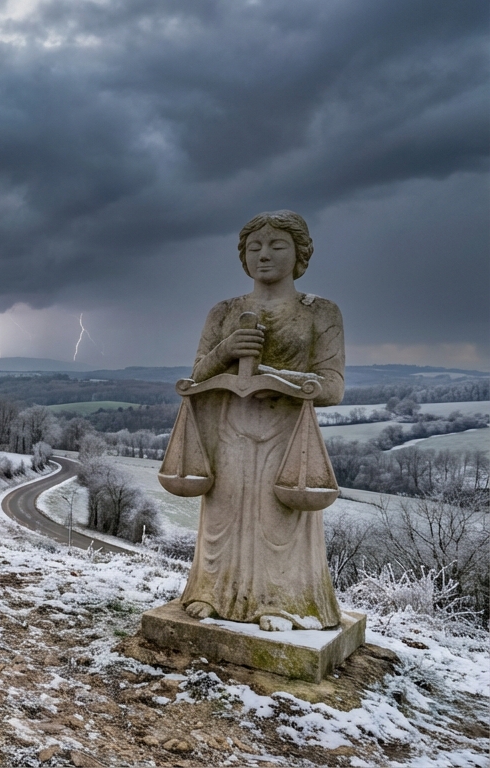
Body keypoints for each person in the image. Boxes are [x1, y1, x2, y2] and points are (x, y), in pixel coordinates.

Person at [180, 210, 344, 631]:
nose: (264, 255)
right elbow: (196, 375)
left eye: (277, 246)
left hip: (287, 438)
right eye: (254, 247)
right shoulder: (225, 311)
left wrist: (276, 378)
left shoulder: (320, 312)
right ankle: (212, 594)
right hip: (229, 433)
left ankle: (283, 602)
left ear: (300, 253)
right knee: (224, 518)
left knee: (279, 524)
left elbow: (331, 387)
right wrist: (227, 350)